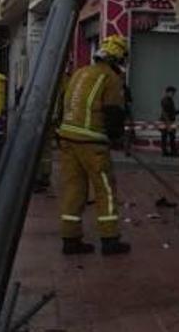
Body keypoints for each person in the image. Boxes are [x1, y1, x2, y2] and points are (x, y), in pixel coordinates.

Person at [56, 36, 131, 256]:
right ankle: (110, 240)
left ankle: (70, 240)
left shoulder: (80, 73)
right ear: (118, 57)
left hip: (68, 138)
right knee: (105, 189)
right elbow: (113, 113)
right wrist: (116, 137)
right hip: (92, 142)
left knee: (74, 189)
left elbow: (65, 103)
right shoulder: (110, 78)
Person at [160, 86, 179, 157]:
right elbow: (165, 113)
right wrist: (168, 124)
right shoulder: (165, 100)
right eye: (172, 93)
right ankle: (166, 152)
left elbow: (171, 111)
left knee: (171, 137)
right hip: (166, 121)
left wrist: (178, 112)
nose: (173, 94)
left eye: (173, 93)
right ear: (168, 92)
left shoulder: (170, 100)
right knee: (166, 137)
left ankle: (171, 151)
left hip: (169, 121)